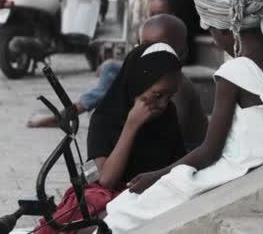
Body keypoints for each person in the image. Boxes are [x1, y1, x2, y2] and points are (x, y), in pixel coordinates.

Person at [101, 0, 263, 233]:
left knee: (123, 210)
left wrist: (156, 176)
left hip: (227, 174)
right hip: (250, 169)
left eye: (212, 31)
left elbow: (209, 152)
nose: (213, 40)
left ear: (227, 29)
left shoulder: (235, 72)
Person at [33, 43, 186, 234]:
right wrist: (132, 125)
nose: (163, 104)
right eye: (157, 95)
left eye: (169, 96)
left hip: (152, 195)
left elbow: (179, 165)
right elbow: (106, 179)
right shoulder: (106, 117)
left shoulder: (168, 116)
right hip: (112, 197)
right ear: (139, 83)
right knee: (100, 221)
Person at [27, 15, 209, 151]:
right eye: (144, 46)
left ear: (182, 53)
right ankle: (69, 112)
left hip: (178, 158)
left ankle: (68, 113)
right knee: (112, 70)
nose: (152, 54)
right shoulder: (148, 73)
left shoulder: (179, 89)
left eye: (161, 48)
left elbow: (173, 146)